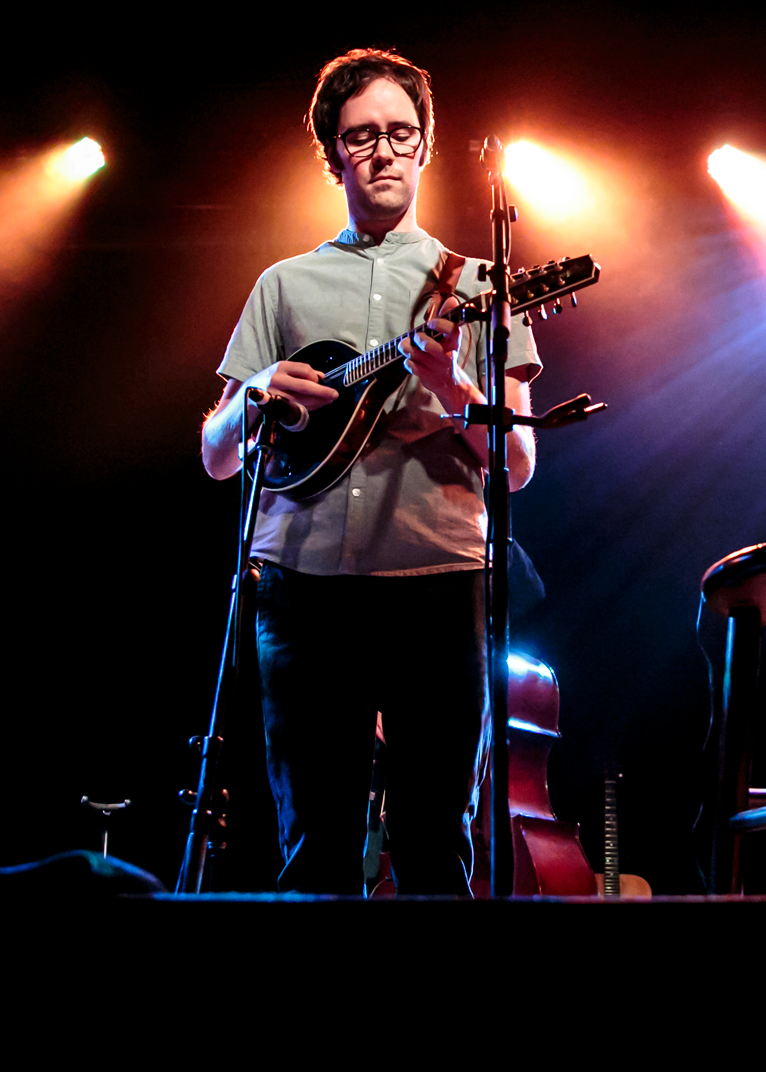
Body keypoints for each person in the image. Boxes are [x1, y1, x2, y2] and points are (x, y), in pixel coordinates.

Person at [200, 49, 542, 894]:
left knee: (434, 843)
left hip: (437, 583)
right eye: (361, 138)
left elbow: (522, 465)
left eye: (400, 133)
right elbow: (214, 457)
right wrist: (251, 395)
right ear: (333, 157)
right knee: (312, 849)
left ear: (426, 147)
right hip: (301, 583)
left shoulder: (479, 285)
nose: (383, 151)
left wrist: (454, 387)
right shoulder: (283, 285)